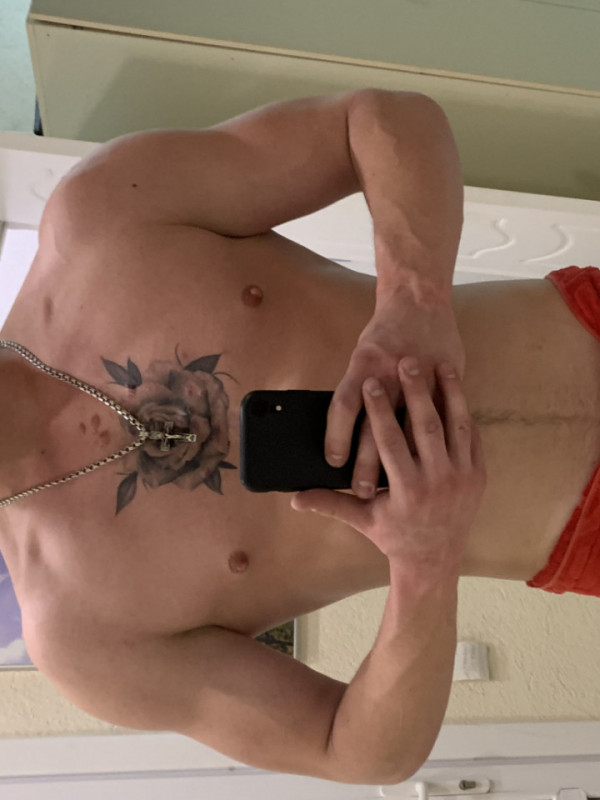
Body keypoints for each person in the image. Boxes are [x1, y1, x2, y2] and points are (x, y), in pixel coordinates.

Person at [0, 88, 599, 786]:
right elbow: (359, 751)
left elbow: (381, 119)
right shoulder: (83, 634)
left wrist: (415, 297)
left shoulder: (99, 219)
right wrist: (424, 568)